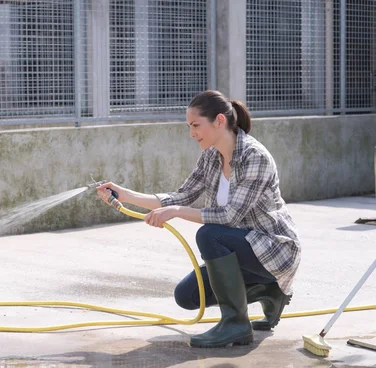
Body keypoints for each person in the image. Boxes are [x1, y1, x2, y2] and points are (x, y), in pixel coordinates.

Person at [96, 90, 301, 348]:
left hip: (275, 249)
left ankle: (236, 324)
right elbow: (181, 196)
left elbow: (229, 216)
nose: (192, 133)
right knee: (188, 296)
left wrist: (178, 212)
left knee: (209, 233)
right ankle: (270, 290)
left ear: (219, 121)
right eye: (189, 127)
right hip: (242, 249)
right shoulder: (211, 156)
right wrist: (124, 195)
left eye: (196, 125)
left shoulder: (254, 156)